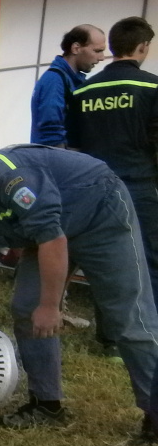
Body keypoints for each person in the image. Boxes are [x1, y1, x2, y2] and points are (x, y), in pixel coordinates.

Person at [0, 147, 158, 446]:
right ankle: (46, 404)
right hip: (48, 234)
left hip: (98, 213)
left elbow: (53, 239)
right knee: (27, 309)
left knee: (130, 319)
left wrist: (51, 306)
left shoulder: (7, 178)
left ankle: (155, 420)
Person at [66, 16, 158, 307]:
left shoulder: (82, 91)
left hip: (96, 189)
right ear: (142, 46)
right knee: (149, 258)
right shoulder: (152, 87)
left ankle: (109, 327)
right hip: (140, 186)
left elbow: (73, 148)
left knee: (106, 259)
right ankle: (150, 326)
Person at [29, 24, 105, 146]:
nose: (102, 58)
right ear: (76, 48)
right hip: (55, 156)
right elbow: (50, 132)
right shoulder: (54, 80)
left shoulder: (71, 80)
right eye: (97, 51)